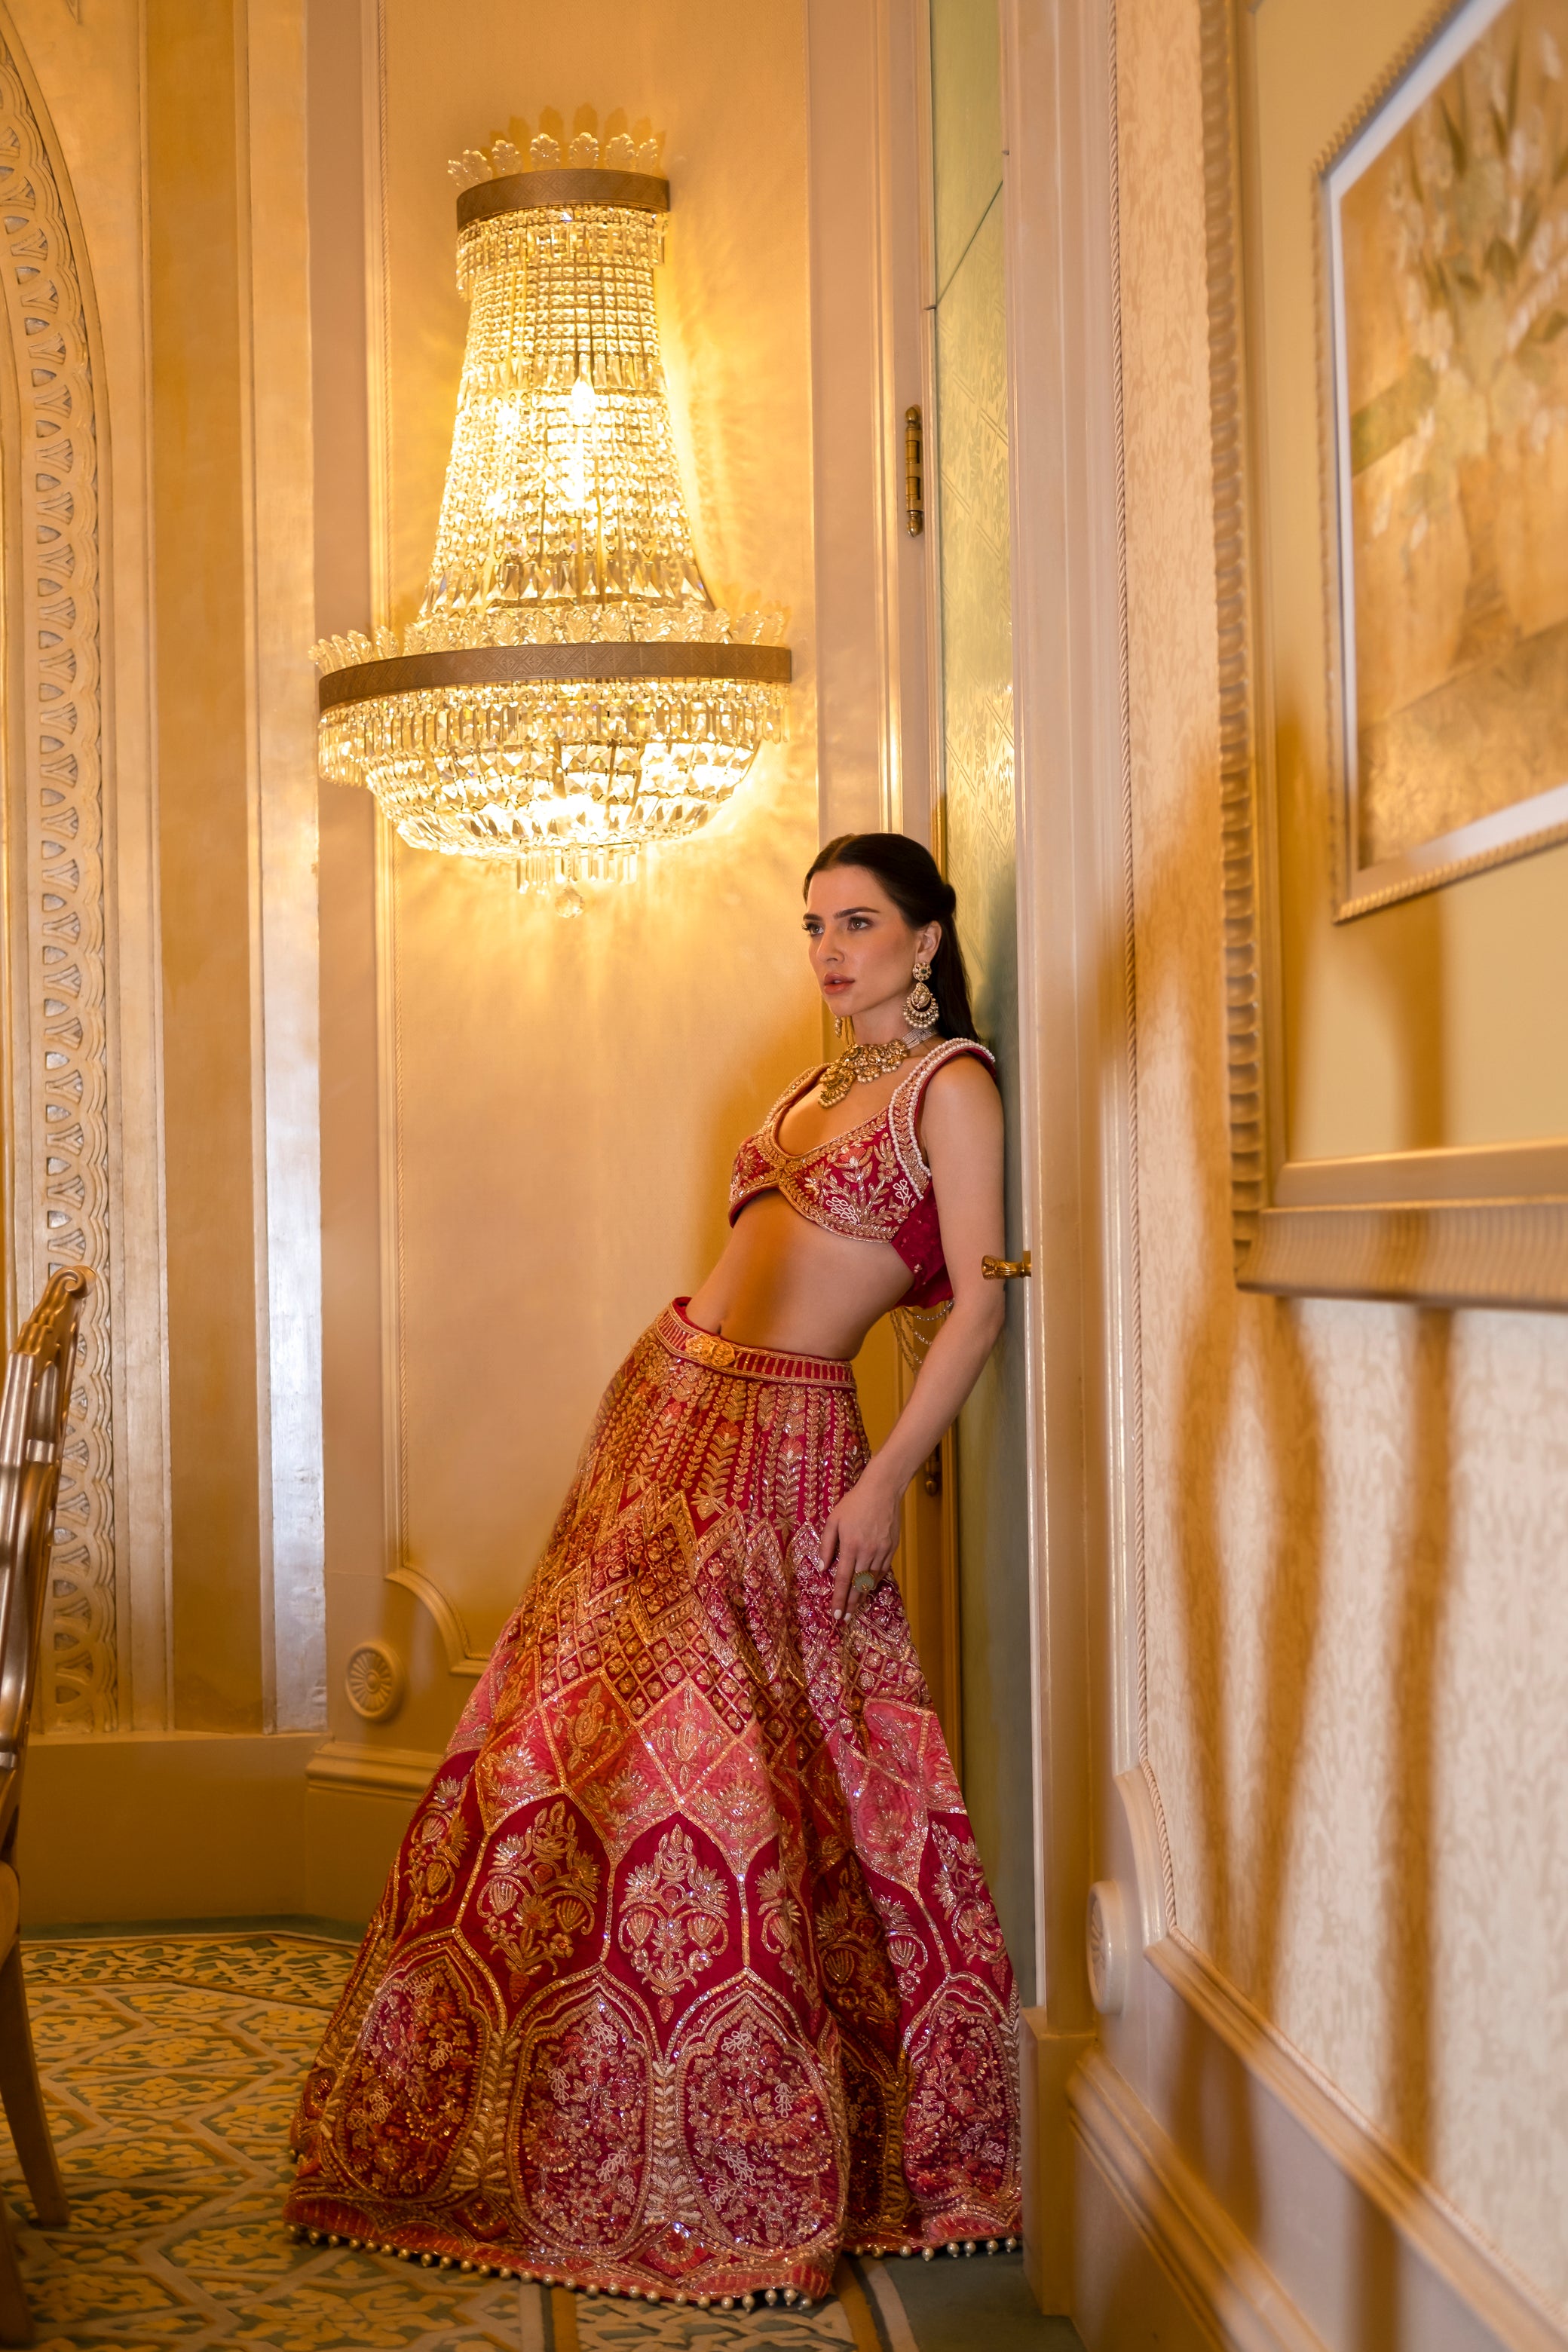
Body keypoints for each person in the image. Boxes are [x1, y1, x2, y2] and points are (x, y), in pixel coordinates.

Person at [283, 831, 1023, 2311]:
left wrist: (885, 1481)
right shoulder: (814, 1087)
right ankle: (572, 2125)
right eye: (813, 923)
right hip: (666, 1415)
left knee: (739, 1791)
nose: (828, 949)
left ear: (928, 940)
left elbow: (976, 1311)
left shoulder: (954, 1088)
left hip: (786, 1443)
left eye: (860, 922)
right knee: (577, 1758)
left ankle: (745, 2162)